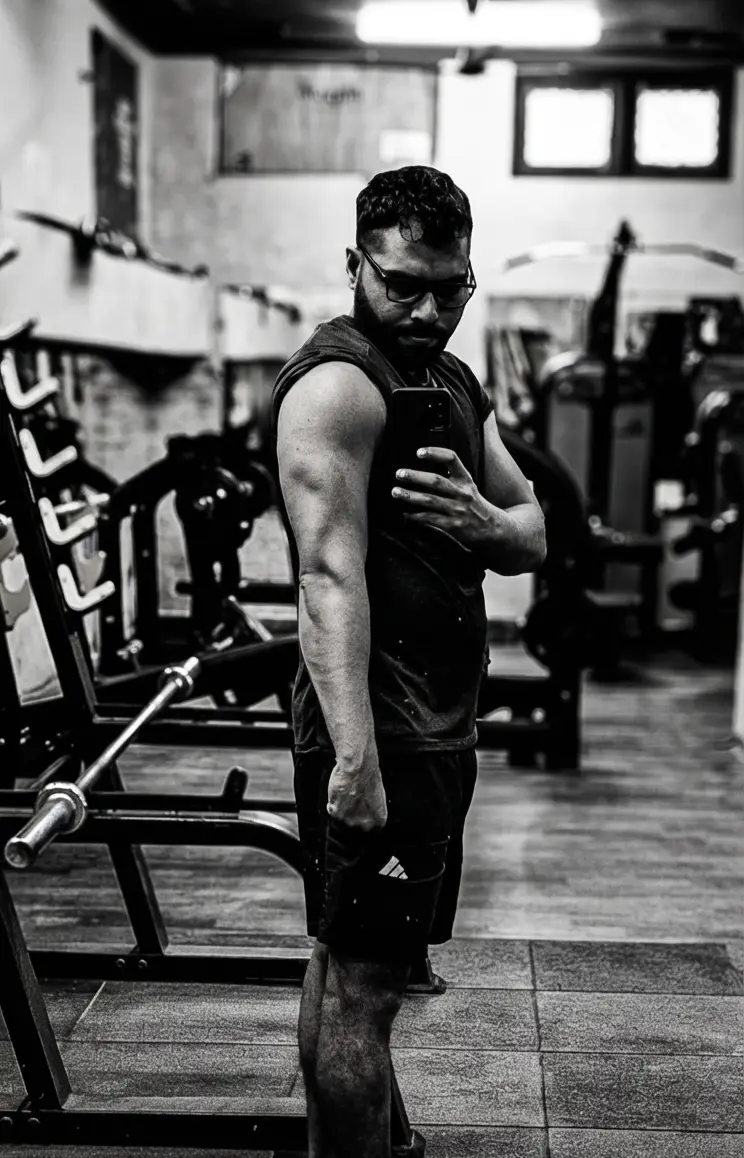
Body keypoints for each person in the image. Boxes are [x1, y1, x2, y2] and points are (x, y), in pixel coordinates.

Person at [271, 165, 546, 1158]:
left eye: (450, 287)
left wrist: (484, 522)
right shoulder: (342, 386)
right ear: (355, 265)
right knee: (366, 992)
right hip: (380, 730)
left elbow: (533, 528)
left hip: (434, 726)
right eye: (401, 286)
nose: (428, 311)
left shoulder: (454, 382)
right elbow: (328, 579)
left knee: (349, 964)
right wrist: (354, 758)